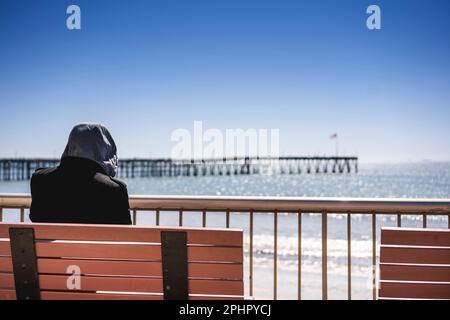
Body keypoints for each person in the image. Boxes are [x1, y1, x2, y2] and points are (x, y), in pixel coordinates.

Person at [30, 123, 132, 224]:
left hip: (43, 240)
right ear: (104, 149)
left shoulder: (39, 179)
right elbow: (125, 234)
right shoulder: (115, 190)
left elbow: (34, 216)